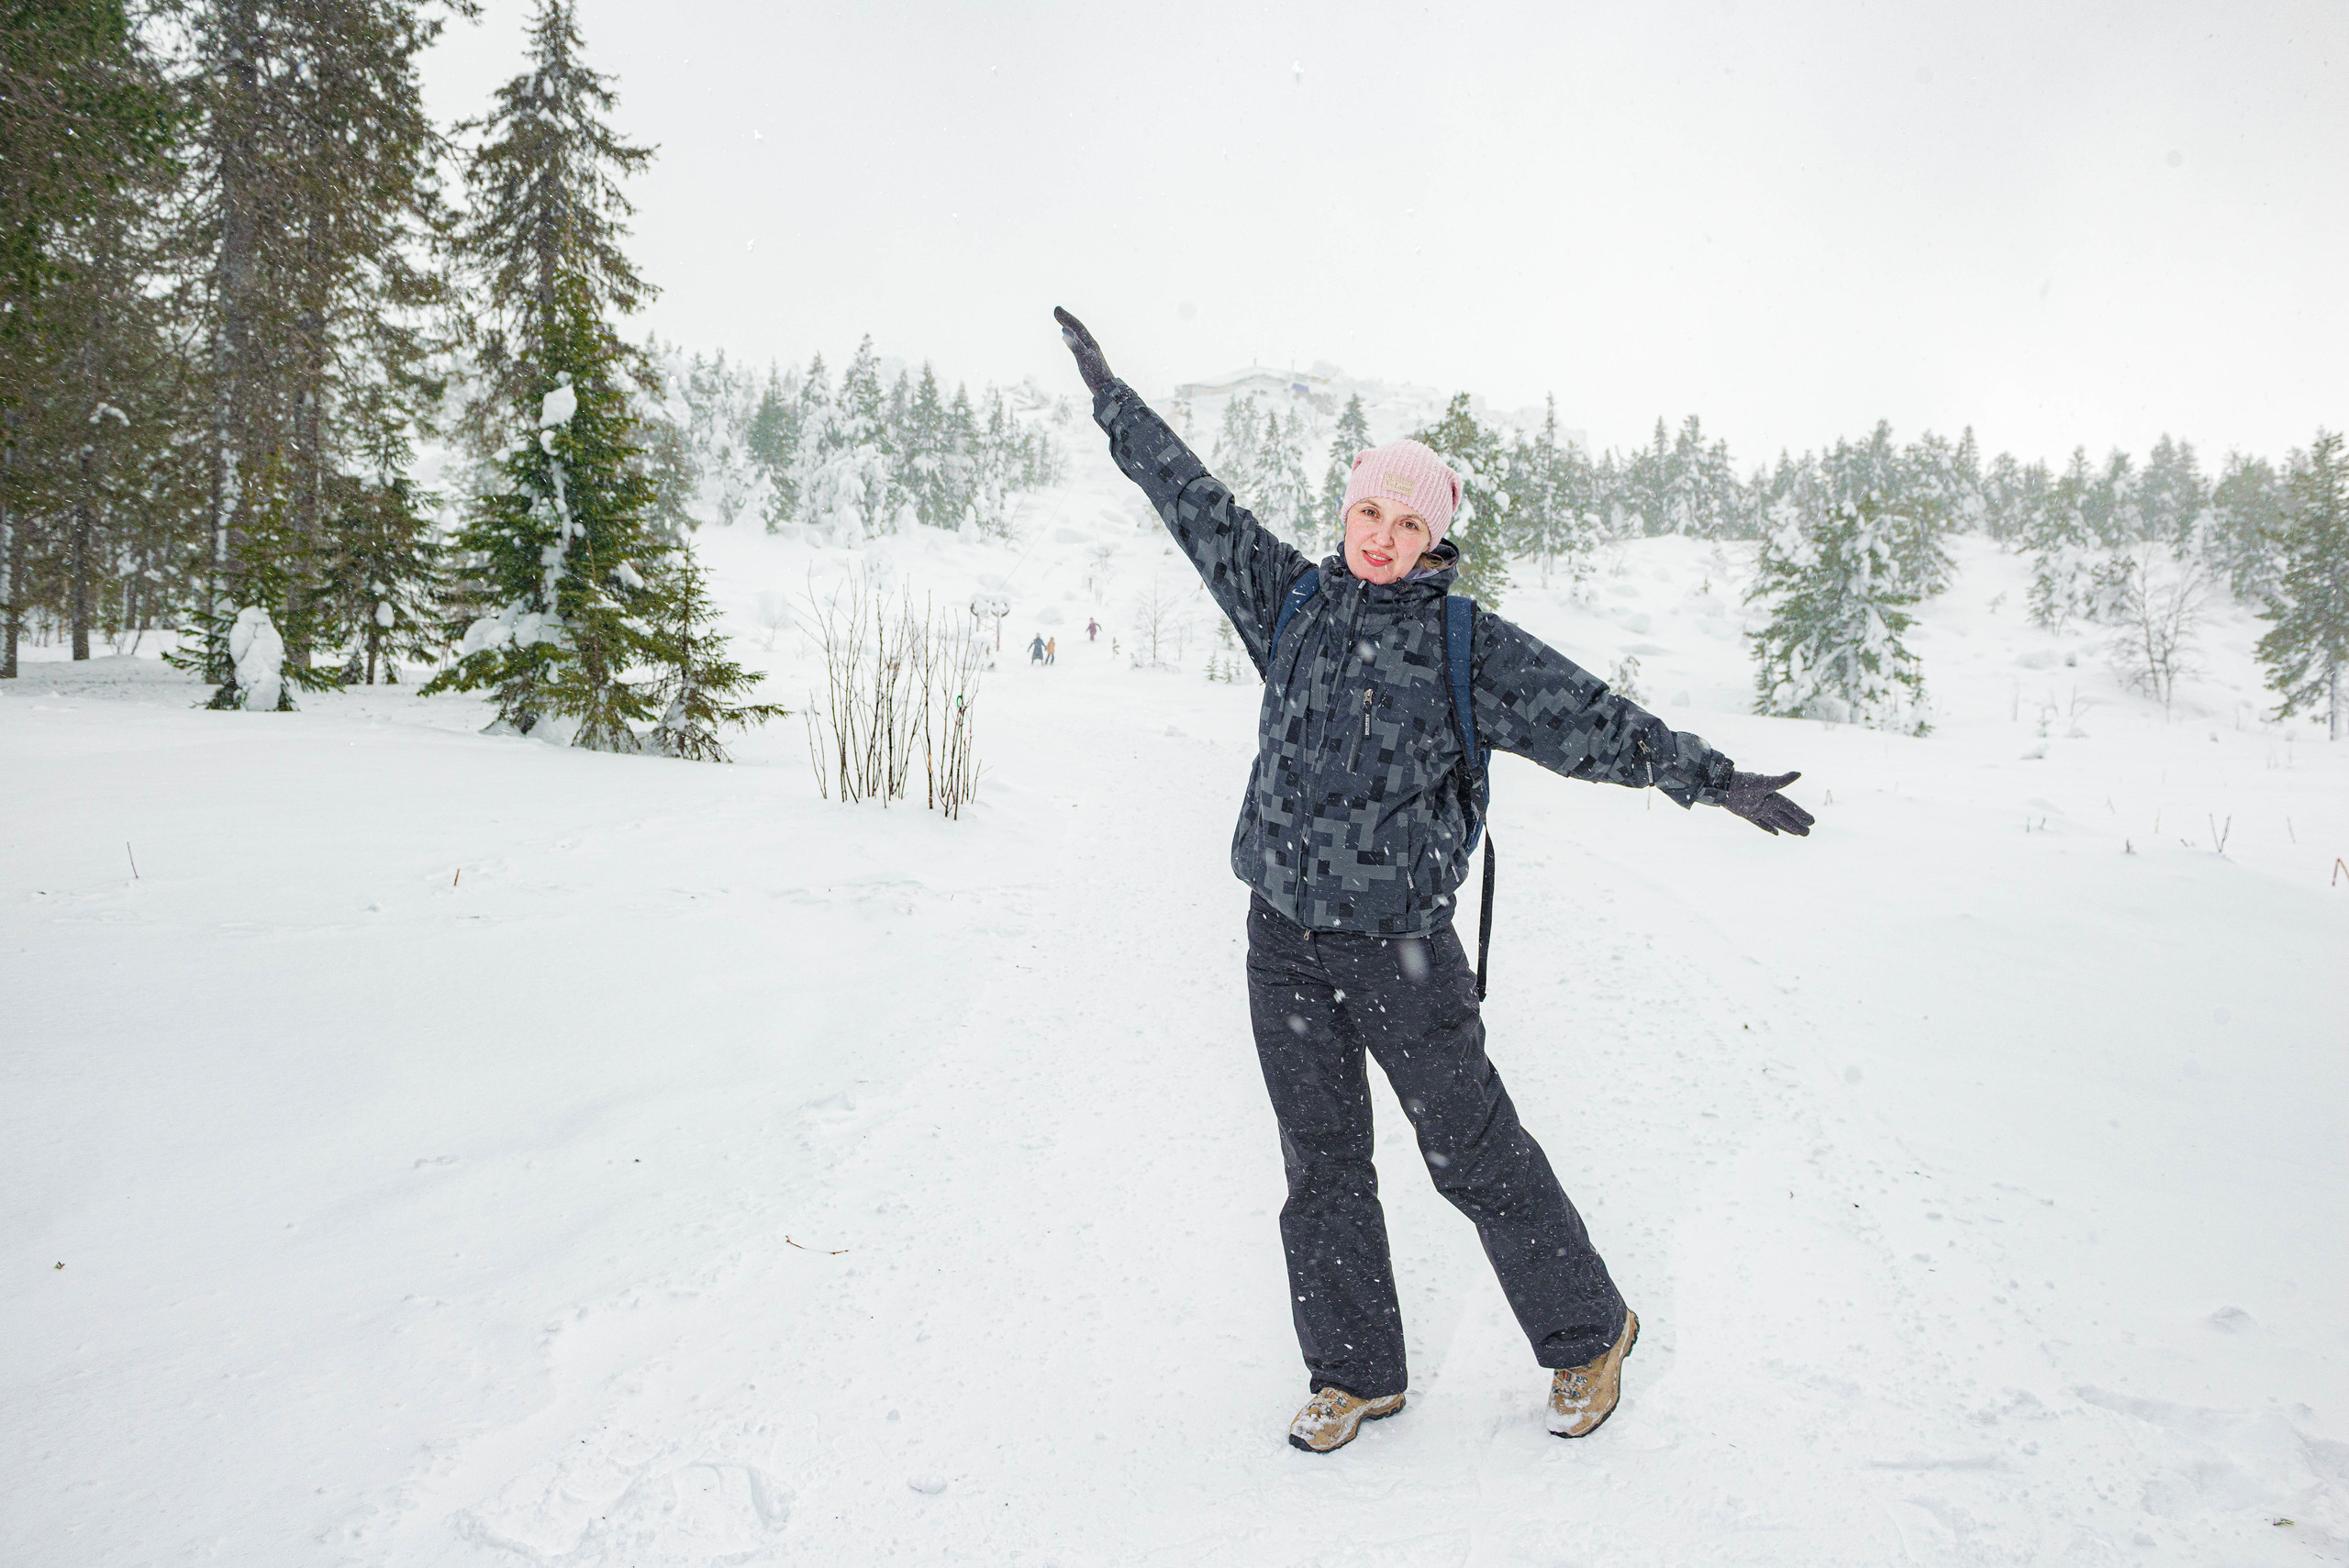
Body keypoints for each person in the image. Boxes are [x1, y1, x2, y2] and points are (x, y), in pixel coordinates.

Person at [1053, 306, 1814, 1455]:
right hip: (1281, 936)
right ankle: (1355, 1373)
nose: (1380, 535)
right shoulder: (1290, 601)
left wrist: (1711, 779)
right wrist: (1115, 401)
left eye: (1408, 521)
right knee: (1320, 1166)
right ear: (1346, 509)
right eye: (1368, 508)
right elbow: (1191, 501)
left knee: (1473, 1153)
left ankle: (1587, 1332)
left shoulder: (1467, 645)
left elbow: (1594, 723)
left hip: (1400, 948)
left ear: (1435, 537)